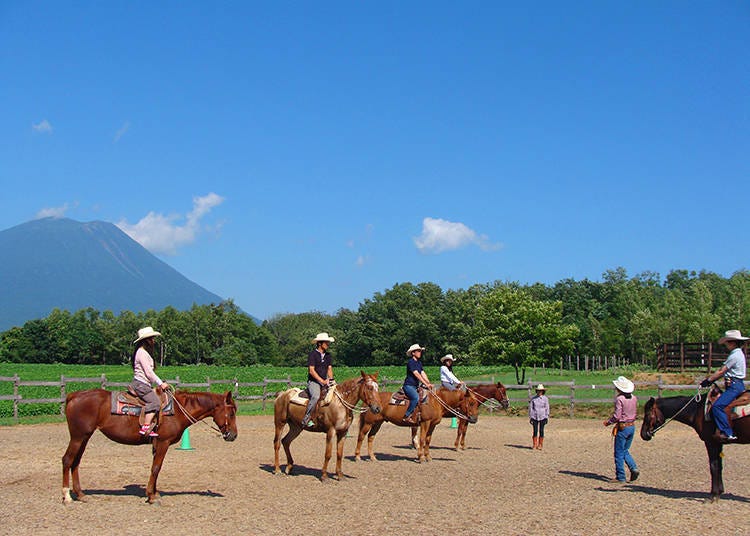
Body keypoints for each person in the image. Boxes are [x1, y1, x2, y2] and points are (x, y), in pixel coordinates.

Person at [700, 329, 748, 442]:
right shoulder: (738, 354)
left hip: (734, 386)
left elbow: (722, 371)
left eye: (726, 343)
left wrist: (708, 380)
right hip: (737, 384)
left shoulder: (734, 355)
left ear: (732, 342)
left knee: (717, 406)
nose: (726, 346)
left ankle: (727, 433)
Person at [129, 327, 171, 437]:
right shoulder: (142, 353)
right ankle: (145, 427)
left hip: (142, 383)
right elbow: (148, 373)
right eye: (152, 338)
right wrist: (160, 383)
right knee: (155, 402)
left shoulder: (143, 352)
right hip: (141, 384)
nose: (153, 341)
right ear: (146, 340)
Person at [603, 376, 639, 483]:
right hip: (632, 426)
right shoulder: (634, 398)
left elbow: (617, 416)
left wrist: (608, 422)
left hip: (623, 427)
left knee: (618, 452)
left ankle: (621, 476)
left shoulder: (619, 399)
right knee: (625, 450)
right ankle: (633, 467)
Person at [301, 332, 335, 428]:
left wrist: (331, 380)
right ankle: (306, 418)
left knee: (336, 395)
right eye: (326, 342)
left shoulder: (328, 355)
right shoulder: (313, 354)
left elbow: (329, 369)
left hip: (325, 381)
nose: (328, 344)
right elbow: (311, 370)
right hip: (314, 382)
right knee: (315, 396)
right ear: (320, 343)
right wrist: (322, 381)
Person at [402, 344, 433, 425]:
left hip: (415, 386)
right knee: (415, 398)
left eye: (420, 351)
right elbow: (417, 374)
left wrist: (429, 383)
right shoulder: (411, 362)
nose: (420, 353)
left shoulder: (419, 363)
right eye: (418, 351)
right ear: (413, 353)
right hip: (409, 386)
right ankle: (406, 416)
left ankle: (420, 414)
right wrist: (425, 383)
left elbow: (422, 373)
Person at [529, 384, 549, 450]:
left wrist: (546, 416)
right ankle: (534, 444)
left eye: (540, 391)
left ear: (542, 391)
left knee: (541, 430)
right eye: (538, 391)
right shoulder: (533, 399)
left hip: (543, 416)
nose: (539, 392)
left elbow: (547, 408)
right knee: (535, 431)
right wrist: (531, 417)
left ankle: (540, 444)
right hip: (535, 416)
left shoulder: (545, 399)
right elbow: (531, 408)